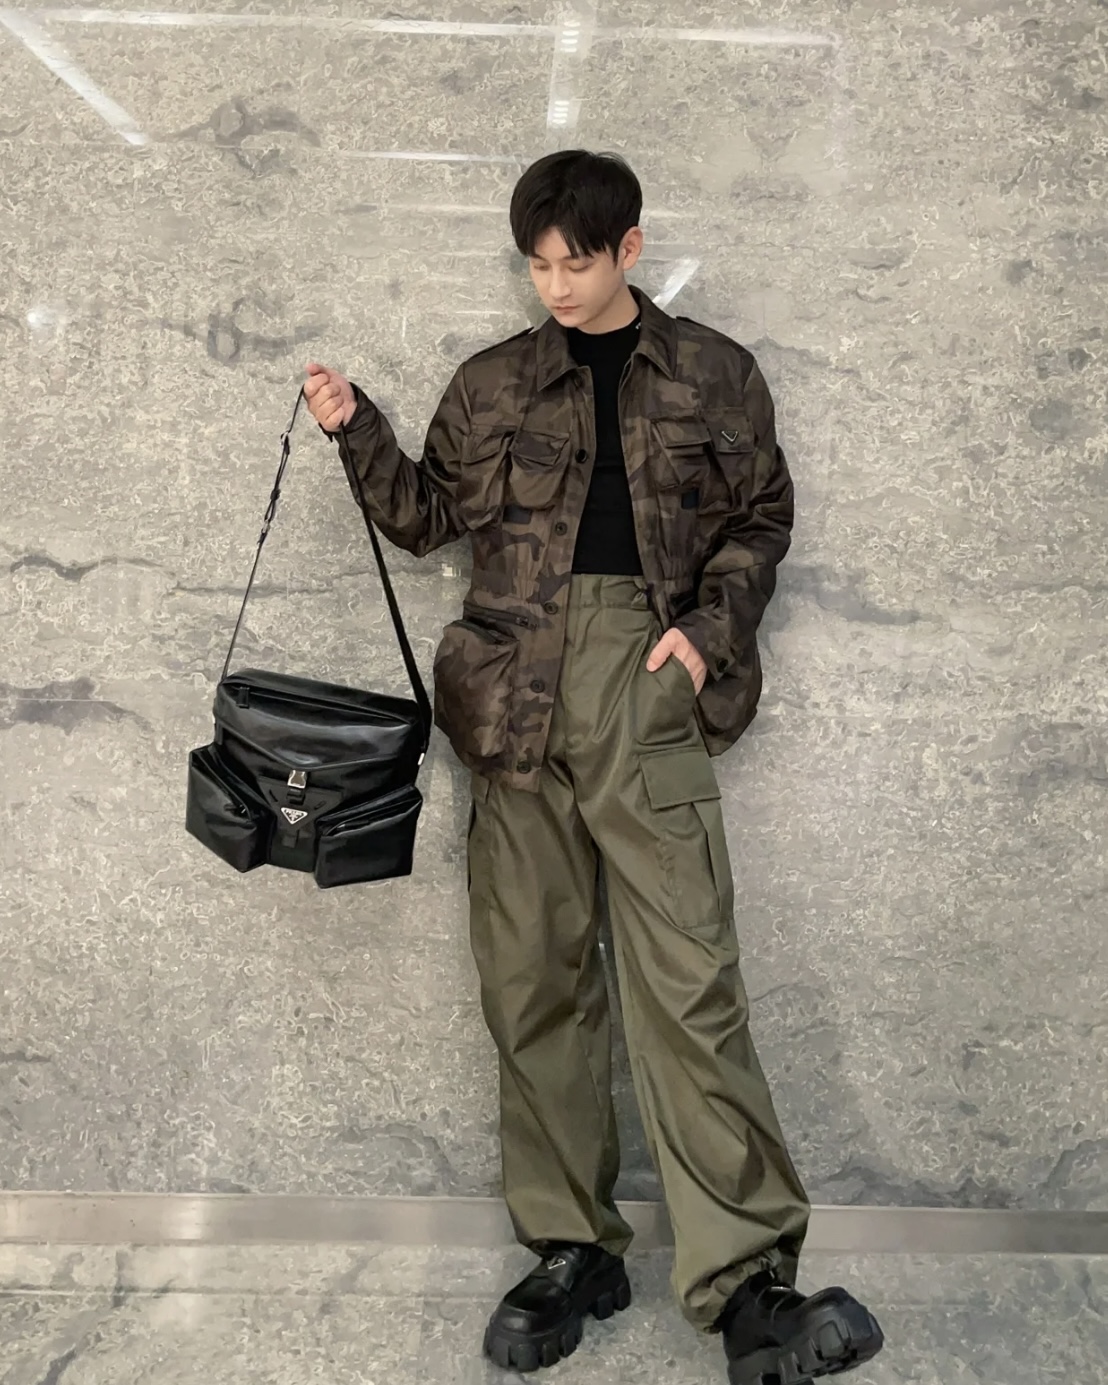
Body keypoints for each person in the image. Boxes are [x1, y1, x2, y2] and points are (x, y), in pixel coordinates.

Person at [303, 150, 884, 1385]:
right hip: (511, 702)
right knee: (533, 983)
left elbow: (761, 517)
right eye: (537, 265)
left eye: (575, 261)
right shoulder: (492, 381)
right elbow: (427, 518)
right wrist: (359, 429)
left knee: (688, 983)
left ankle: (748, 1283)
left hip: (647, 686)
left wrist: (703, 635)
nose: (555, 286)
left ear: (628, 247)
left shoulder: (714, 372)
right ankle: (572, 1249)